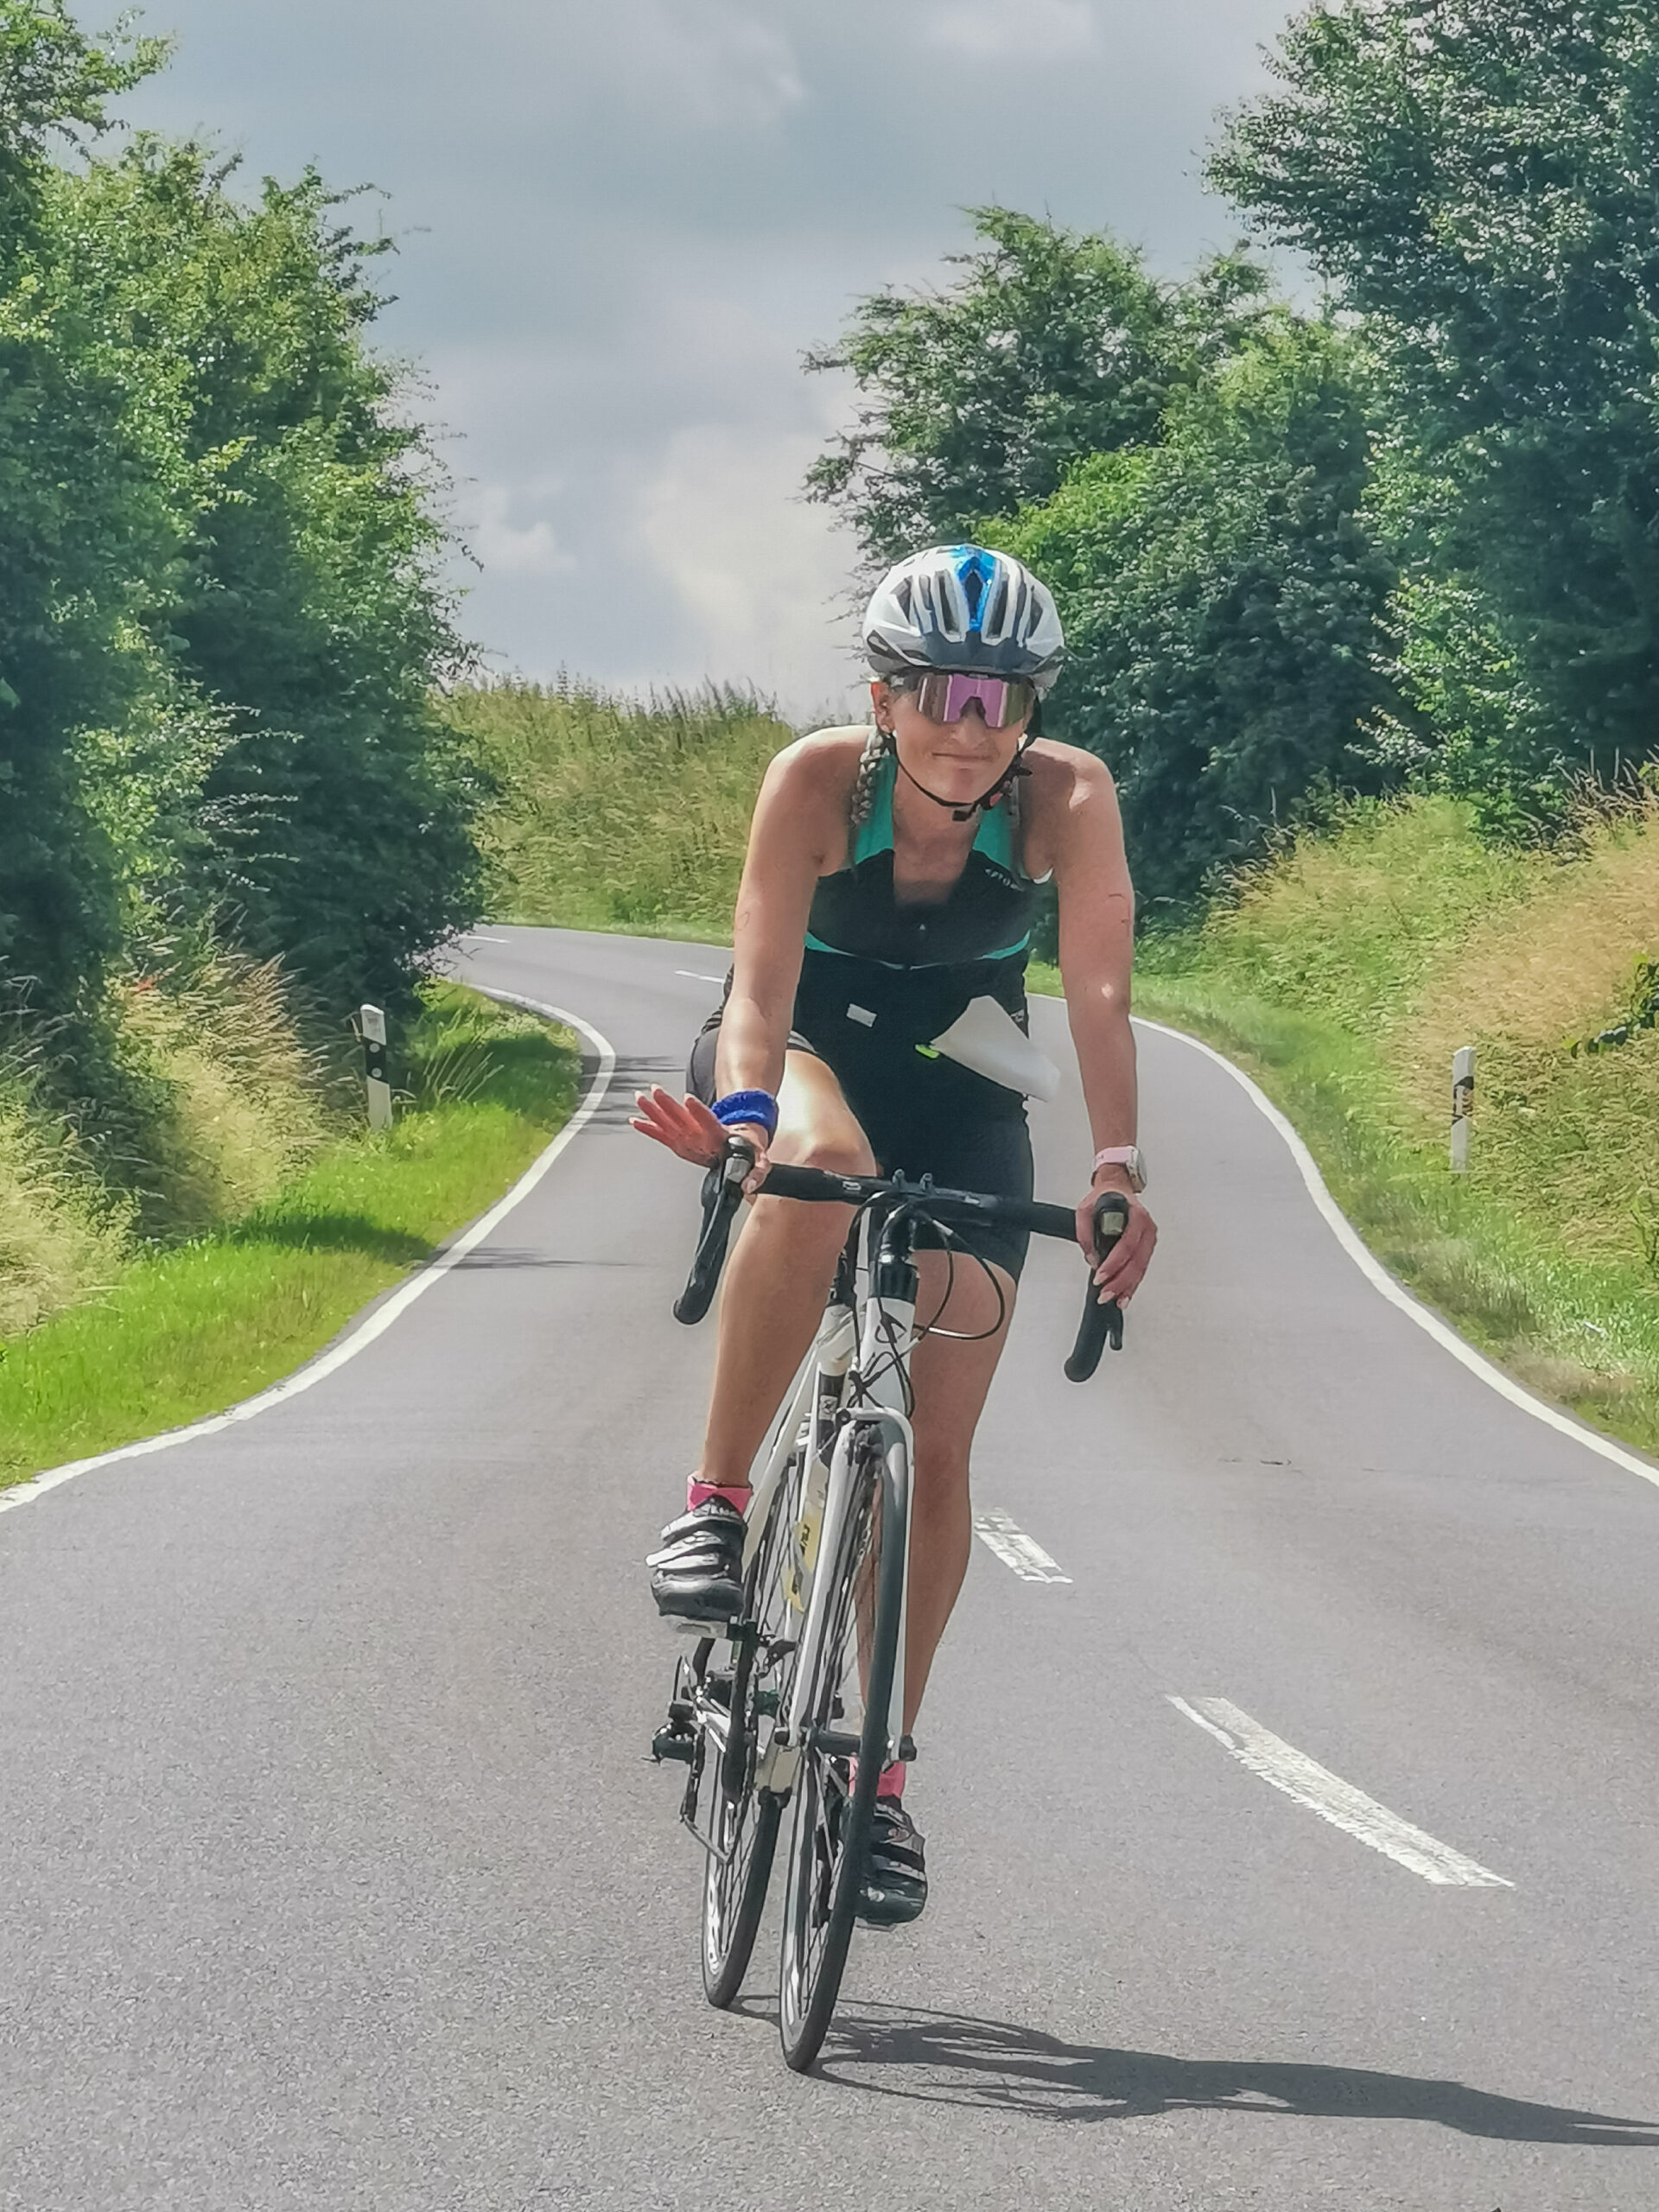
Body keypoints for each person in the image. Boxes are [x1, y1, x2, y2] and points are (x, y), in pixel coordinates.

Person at [632, 543, 1157, 1923]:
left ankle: (875, 1780)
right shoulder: (818, 782)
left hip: (962, 1082)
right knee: (824, 1163)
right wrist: (746, 1121)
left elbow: (1101, 994)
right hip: (797, 1052)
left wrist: (1115, 1167)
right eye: (943, 693)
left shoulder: (1069, 798)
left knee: (940, 1442)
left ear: (1031, 709)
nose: (973, 728)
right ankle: (715, 1509)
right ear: (884, 696)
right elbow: (759, 984)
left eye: (1004, 697)